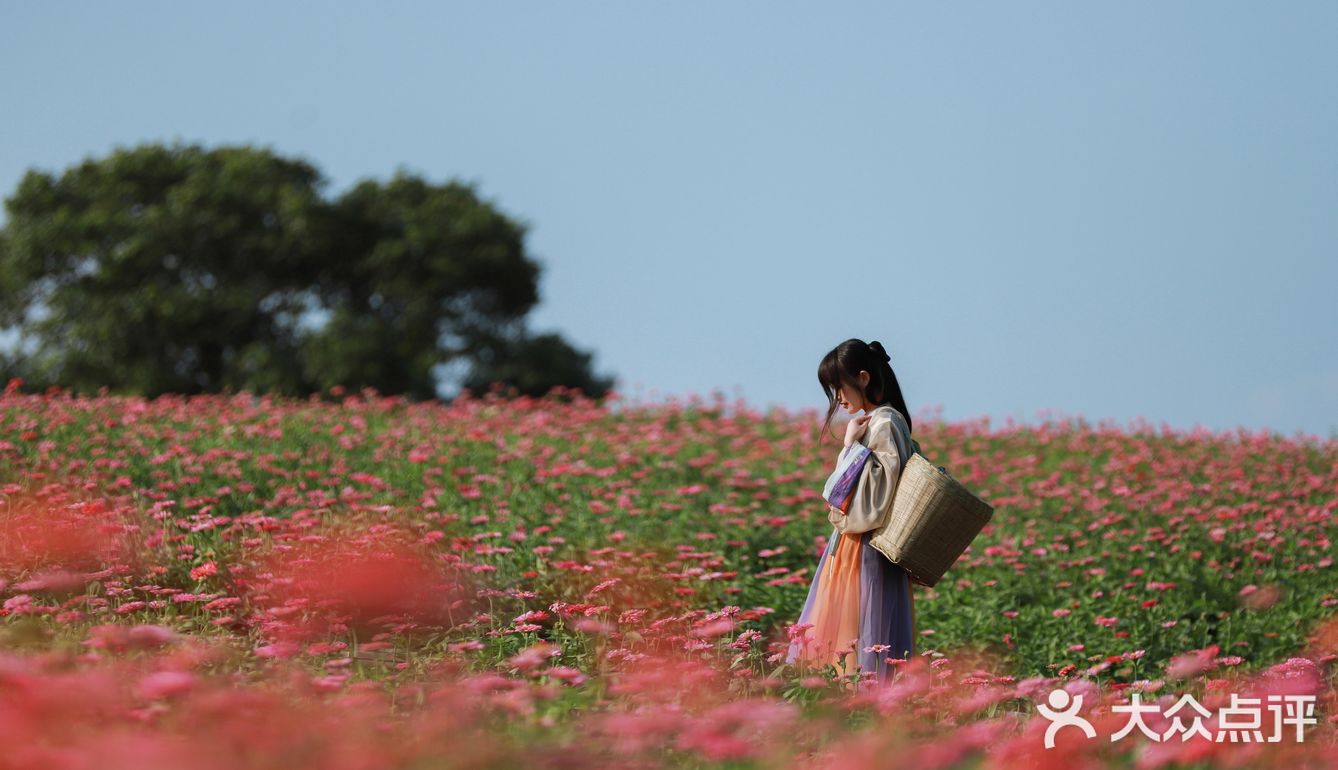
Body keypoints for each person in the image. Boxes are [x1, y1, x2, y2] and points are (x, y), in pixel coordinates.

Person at [785, 338, 916, 687]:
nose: (837, 398)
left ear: (862, 377)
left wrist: (850, 447)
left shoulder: (885, 423)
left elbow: (867, 496)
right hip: (855, 545)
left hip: (865, 547)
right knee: (853, 638)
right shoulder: (875, 421)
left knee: (860, 636)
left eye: (838, 387)